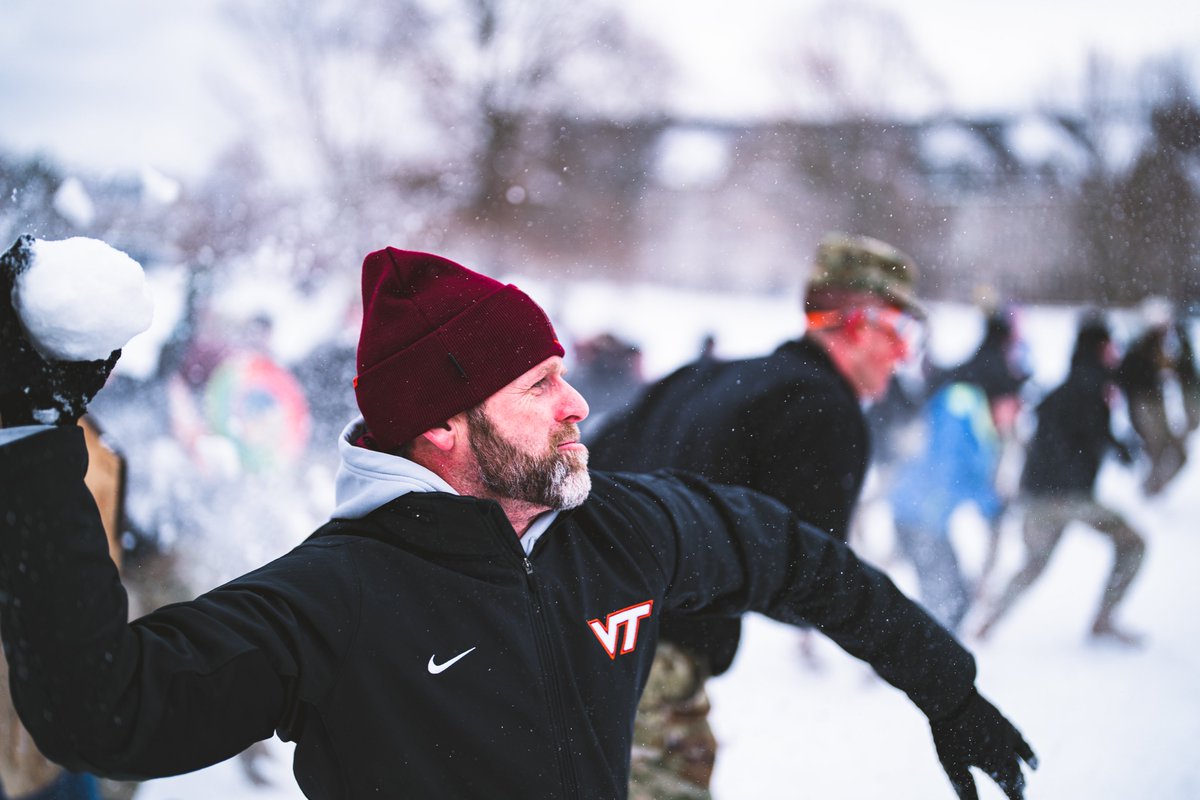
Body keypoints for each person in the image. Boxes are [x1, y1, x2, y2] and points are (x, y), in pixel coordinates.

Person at [0, 241, 1035, 800]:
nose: (579, 403)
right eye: (540, 382)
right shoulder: (335, 598)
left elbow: (799, 556)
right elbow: (107, 711)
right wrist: (35, 439)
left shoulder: (622, 526)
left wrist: (947, 686)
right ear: (444, 426)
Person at [587, 233, 926, 796]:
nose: (905, 353)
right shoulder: (823, 407)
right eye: (900, 329)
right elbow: (803, 585)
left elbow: (592, 479)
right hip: (647, 659)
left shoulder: (702, 377)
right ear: (856, 323)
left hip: (571, 633)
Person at [975, 313, 1146, 646]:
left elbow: (1066, 434)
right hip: (1067, 497)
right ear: (1101, 347)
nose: (1116, 352)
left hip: (1039, 496)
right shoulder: (1093, 385)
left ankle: (986, 622)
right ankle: (1104, 619)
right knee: (1133, 543)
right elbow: (1092, 433)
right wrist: (1120, 450)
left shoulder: (1070, 385)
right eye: (1111, 345)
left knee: (1033, 565)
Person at [887, 308, 1029, 632]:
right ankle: (911, 666)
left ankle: (917, 663)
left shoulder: (975, 415)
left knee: (951, 602)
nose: (1015, 415)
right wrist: (990, 504)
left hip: (925, 517)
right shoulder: (961, 407)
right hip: (916, 515)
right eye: (1014, 405)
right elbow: (950, 472)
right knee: (945, 604)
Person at [1115, 297, 1187, 496]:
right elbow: (1129, 378)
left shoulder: (1157, 346)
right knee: (1158, 449)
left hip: (1154, 402)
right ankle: (1149, 492)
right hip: (1146, 404)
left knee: (1170, 450)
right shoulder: (1140, 348)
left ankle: (1153, 490)